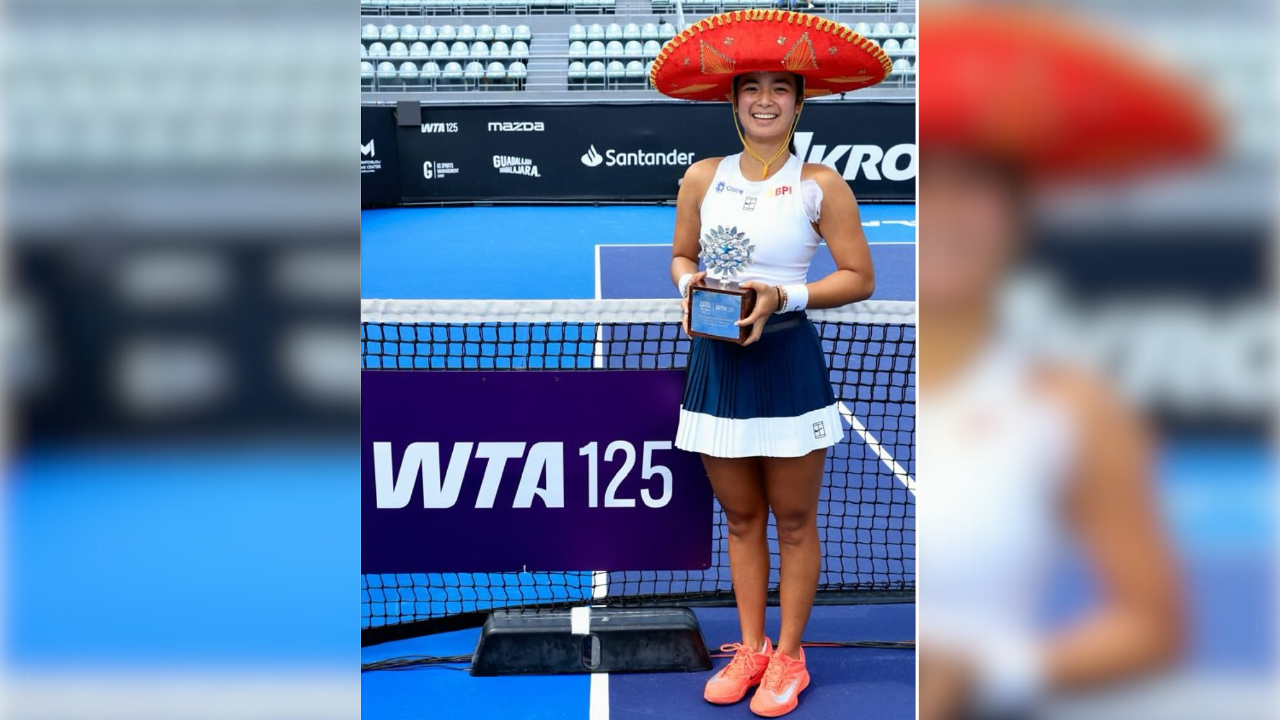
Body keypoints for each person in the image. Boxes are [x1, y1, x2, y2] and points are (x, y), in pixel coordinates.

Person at [916, 7, 1215, 720]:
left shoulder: (1077, 406)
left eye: (976, 183)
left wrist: (984, 672)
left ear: (1019, 217)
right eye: (928, 179)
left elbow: (1152, 626)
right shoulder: (817, 379)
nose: (947, 210)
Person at [650, 11, 891, 716]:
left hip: (788, 363)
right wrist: (690, 286)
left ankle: (789, 657)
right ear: (732, 101)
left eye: (779, 88)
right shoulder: (702, 178)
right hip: (717, 362)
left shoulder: (821, 184)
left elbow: (859, 277)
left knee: (794, 520)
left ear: (798, 101)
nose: (764, 99)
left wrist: (782, 295)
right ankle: (751, 648)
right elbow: (681, 256)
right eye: (750, 87)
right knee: (741, 517)